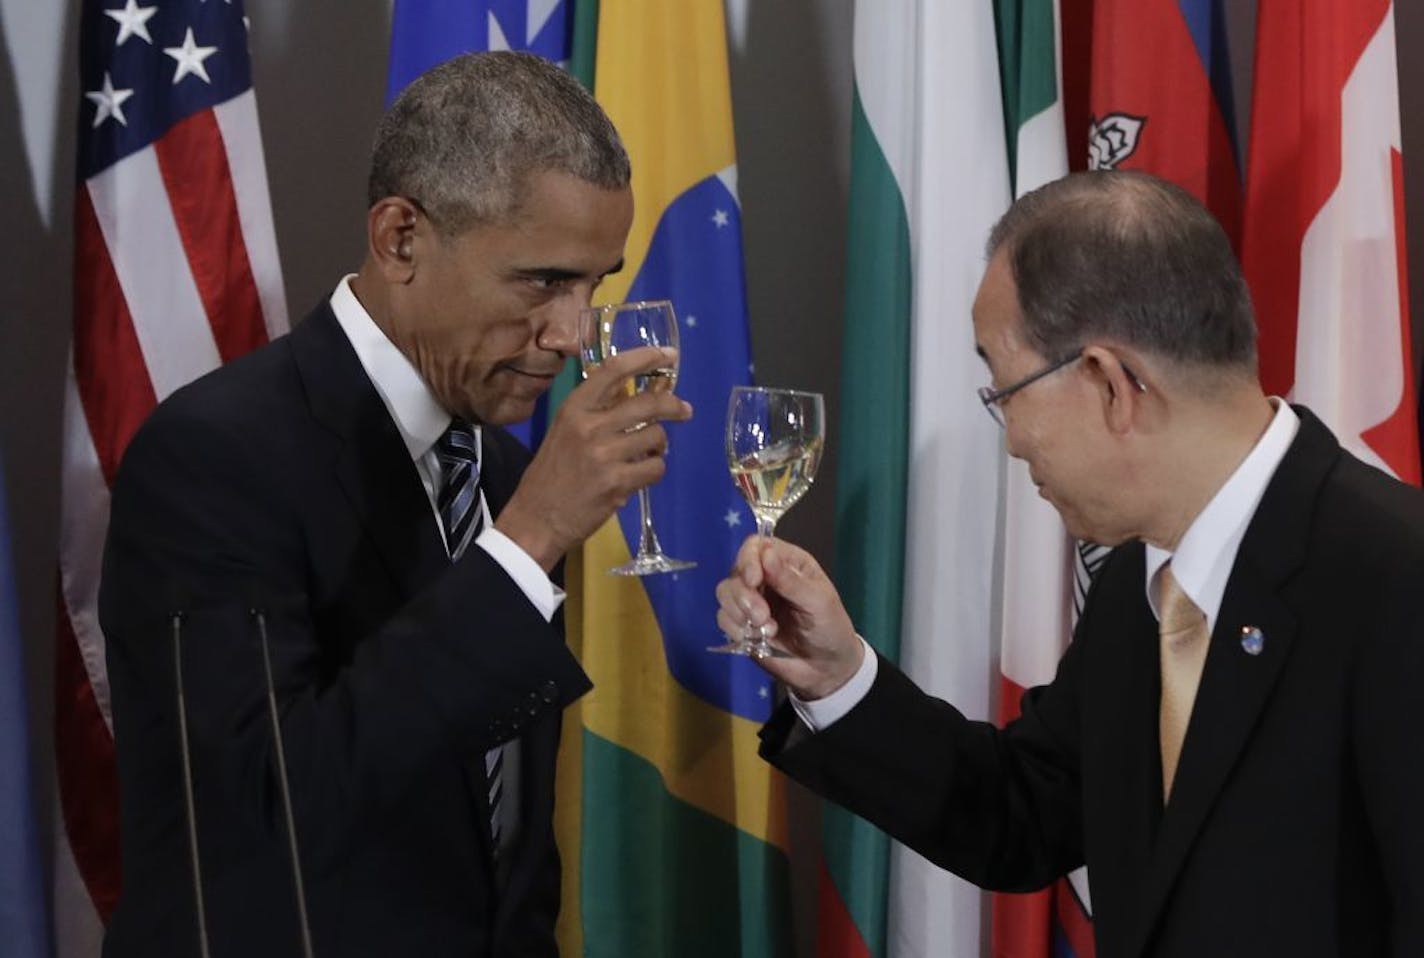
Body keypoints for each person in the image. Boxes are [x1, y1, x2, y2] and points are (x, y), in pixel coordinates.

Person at [717, 171, 1424, 957]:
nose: (1011, 437)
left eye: (1003, 390)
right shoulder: (1140, 584)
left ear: (1109, 383)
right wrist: (837, 674)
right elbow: (1024, 814)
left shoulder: (1396, 578)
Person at [99, 51, 688, 957]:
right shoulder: (213, 457)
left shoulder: (498, 466)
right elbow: (262, 816)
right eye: (542, 281)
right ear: (401, 238)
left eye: (596, 284)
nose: (573, 336)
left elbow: (503, 838)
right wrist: (525, 542)